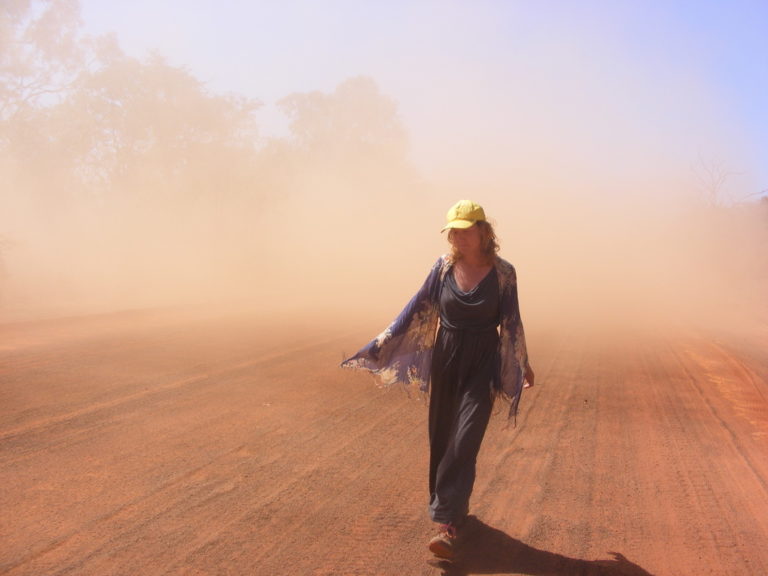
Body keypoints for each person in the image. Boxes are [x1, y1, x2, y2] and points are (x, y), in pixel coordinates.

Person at [341, 199, 534, 560]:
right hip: (446, 357)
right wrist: (381, 344)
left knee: (465, 438)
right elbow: (417, 306)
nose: (458, 237)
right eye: (454, 231)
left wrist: (521, 361)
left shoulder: (504, 273)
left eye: (465, 230)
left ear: (483, 231)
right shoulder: (443, 267)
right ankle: (453, 515)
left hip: (482, 360)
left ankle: (446, 524)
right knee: (442, 437)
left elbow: (511, 320)